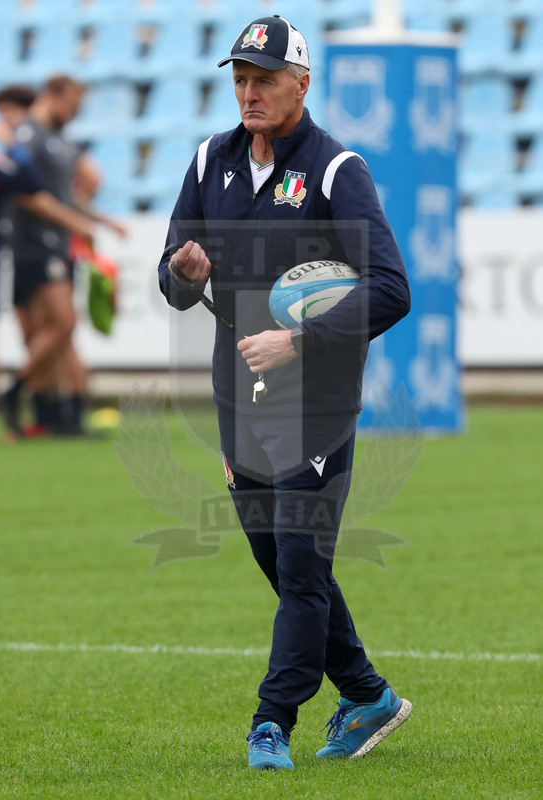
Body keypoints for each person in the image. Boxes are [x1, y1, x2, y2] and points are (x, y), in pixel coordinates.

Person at [158, 16, 412, 770]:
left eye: (264, 78)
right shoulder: (210, 160)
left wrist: (297, 337)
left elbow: (391, 289)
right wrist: (185, 274)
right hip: (238, 399)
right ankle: (365, 693)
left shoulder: (339, 172)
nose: (248, 91)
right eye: (239, 78)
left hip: (317, 404)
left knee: (301, 571)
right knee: (282, 566)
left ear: (301, 82)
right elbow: (171, 278)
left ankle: (271, 721)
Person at [0, 75, 125, 436]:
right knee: (63, 324)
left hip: (52, 243)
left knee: (53, 331)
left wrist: (100, 219)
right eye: (72, 104)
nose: (75, 112)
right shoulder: (30, 135)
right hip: (33, 244)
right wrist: (76, 222)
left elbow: (64, 195)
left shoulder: (54, 140)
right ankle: (17, 390)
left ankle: (55, 417)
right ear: (53, 97)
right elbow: (25, 193)